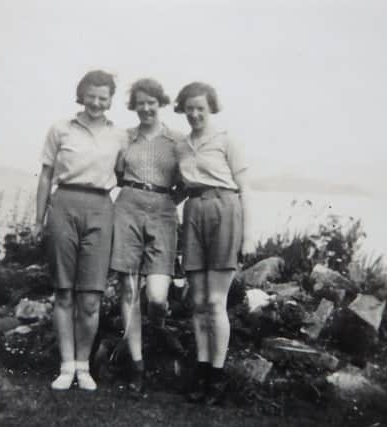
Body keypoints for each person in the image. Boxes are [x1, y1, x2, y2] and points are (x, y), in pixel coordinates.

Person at [34, 70, 127, 391]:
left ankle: (84, 367)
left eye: (104, 98)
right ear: (81, 95)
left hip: (102, 208)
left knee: (90, 298)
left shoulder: (120, 136)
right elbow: (45, 176)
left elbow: (126, 174)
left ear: (111, 100)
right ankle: (66, 366)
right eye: (92, 96)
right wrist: (38, 219)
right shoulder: (61, 129)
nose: (97, 103)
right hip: (64, 204)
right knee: (63, 291)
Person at [173, 82, 255, 405]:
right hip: (193, 212)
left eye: (201, 108)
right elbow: (180, 188)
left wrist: (248, 235)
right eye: (189, 108)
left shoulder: (226, 140)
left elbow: (245, 188)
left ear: (211, 109)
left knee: (216, 301)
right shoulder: (181, 146)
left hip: (224, 211)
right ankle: (202, 371)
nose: (195, 114)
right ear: (183, 109)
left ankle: (217, 377)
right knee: (198, 301)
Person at [111, 78, 185, 394]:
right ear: (134, 106)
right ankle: (137, 367)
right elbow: (114, 173)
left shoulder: (176, 141)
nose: (145, 108)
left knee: (156, 296)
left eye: (151, 102)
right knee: (128, 289)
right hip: (127, 207)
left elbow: (186, 182)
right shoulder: (125, 138)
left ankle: (158, 328)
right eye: (139, 102)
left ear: (160, 103)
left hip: (164, 211)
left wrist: (165, 201)